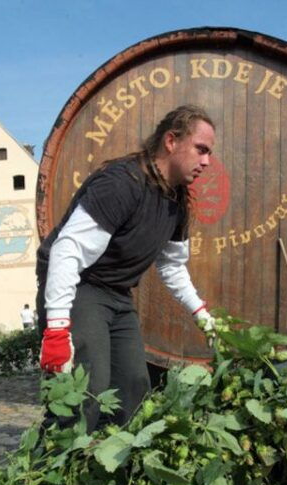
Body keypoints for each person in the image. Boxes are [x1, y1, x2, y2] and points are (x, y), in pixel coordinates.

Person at [36, 104, 216, 433]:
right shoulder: (122, 183)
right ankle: (52, 474)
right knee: (83, 390)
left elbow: (172, 267)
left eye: (209, 153)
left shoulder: (177, 202)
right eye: (201, 150)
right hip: (81, 286)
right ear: (172, 141)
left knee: (133, 388)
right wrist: (57, 329)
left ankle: (110, 471)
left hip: (118, 294)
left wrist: (203, 317)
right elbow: (67, 249)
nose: (206, 162)